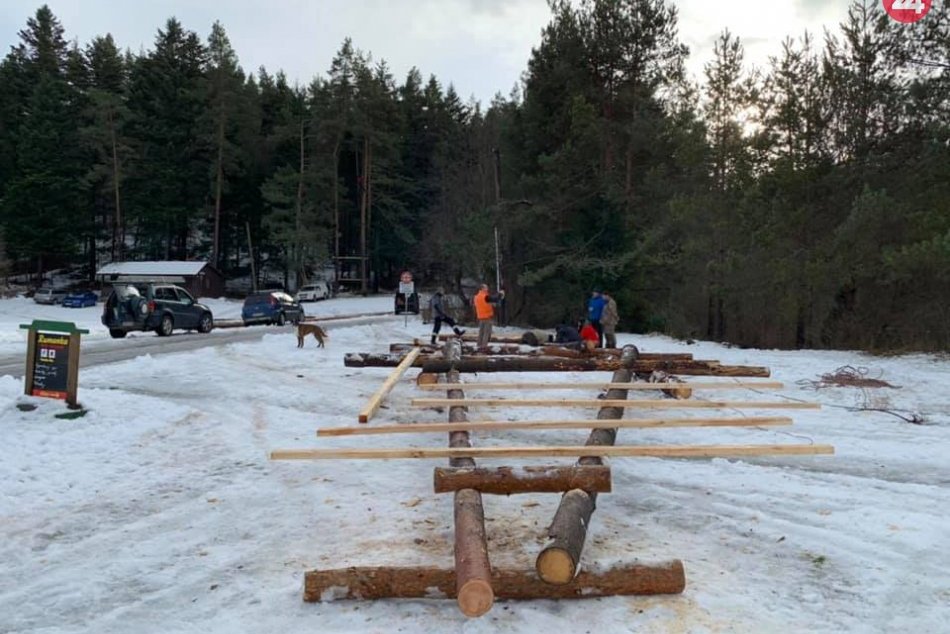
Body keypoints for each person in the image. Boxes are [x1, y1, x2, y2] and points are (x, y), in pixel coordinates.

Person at [472, 283, 505, 349]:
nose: (487, 288)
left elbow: (484, 303)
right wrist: (500, 294)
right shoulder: (485, 296)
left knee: (481, 333)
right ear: (482, 289)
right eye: (486, 287)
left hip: (480, 317)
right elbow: (494, 298)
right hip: (487, 317)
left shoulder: (476, 297)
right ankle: (484, 347)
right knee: (486, 333)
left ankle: (478, 346)